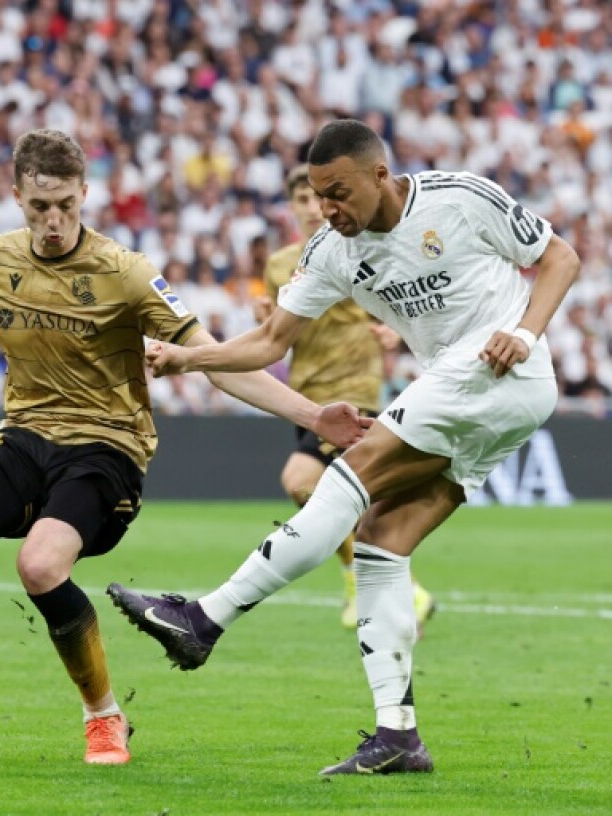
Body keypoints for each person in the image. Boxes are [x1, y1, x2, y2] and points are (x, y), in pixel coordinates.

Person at [0, 129, 371, 765]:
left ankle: (103, 714)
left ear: (85, 195)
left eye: (66, 206)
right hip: (25, 433)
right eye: (40, 206)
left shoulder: (126, 272)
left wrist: (312, 415)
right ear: (17, 196)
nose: (53, 221)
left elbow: (215, 359)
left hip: (107, 446)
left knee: (41, 567)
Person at [107, 120, 580, 775]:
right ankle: (398, 737)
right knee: (380, 537)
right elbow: (272, 341)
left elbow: (561, 258)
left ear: (379, 175)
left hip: (503, 366)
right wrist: (191, 358)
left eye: (339, 193)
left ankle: (205, 618)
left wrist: (525, 334)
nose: (328, 208)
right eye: (318, 195)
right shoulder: (332, 250)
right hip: (471, 390)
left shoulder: (459, 197)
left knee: (350, 473)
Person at [257, 165, 435, 630]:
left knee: (300, 480)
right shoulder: (279, 264)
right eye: (300, 200)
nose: (310, 209)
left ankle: (364, 578)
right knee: (343, 500)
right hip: (308, 397)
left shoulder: (360, 250)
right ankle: (398, 588)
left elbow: (399, 297)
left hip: (356, 391)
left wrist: (395, 331)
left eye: (316, 199)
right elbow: (277, 330)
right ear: (292, 209)